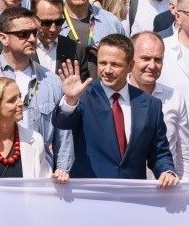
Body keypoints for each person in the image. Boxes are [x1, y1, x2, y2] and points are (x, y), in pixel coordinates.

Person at [0, 7, 74, 170]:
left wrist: (62, 172)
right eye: (23, 34)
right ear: (3, 38)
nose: (32, 39)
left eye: (34, 33)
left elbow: (63, 136)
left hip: (37, 175)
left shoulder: (51, 81)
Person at [53, 34, 179, 186]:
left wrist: (167, 171)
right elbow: (62, 122)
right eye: (102, 63)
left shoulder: (150, 104)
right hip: (91, 195)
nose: (107, 70)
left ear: (130, 66)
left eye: (115, 64)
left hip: (132, 199)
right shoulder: (84, 96)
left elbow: (159, 152)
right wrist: (70, 100)